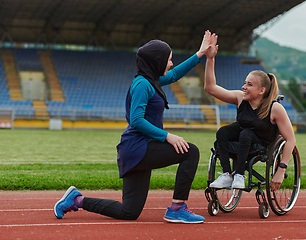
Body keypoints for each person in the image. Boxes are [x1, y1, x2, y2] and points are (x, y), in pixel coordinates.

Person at [54, 31, 213, 224]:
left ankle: (77, 199)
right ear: (157, 61)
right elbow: (136, 120)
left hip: (138, 150)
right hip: (138, 147)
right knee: (191, 152)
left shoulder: (151, 80)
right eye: (168, 60)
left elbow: (174, 75)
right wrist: (167, 136)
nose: (171, 63)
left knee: (128, 212)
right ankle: (177, 208)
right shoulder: (142, 85)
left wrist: (200, 53)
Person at [204, 33, 296, 191]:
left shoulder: (275, 108)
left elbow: (291, 139)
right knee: (223, 133)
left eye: (249, 84)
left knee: (246, 133)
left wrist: (281, 170)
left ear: (261, 90)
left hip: (261, 143)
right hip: (243, 137)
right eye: (244, 83)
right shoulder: (241, 98)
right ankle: (227, 174)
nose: (243, 87)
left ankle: (239, 175)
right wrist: (210, 59)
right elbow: (210, 88)